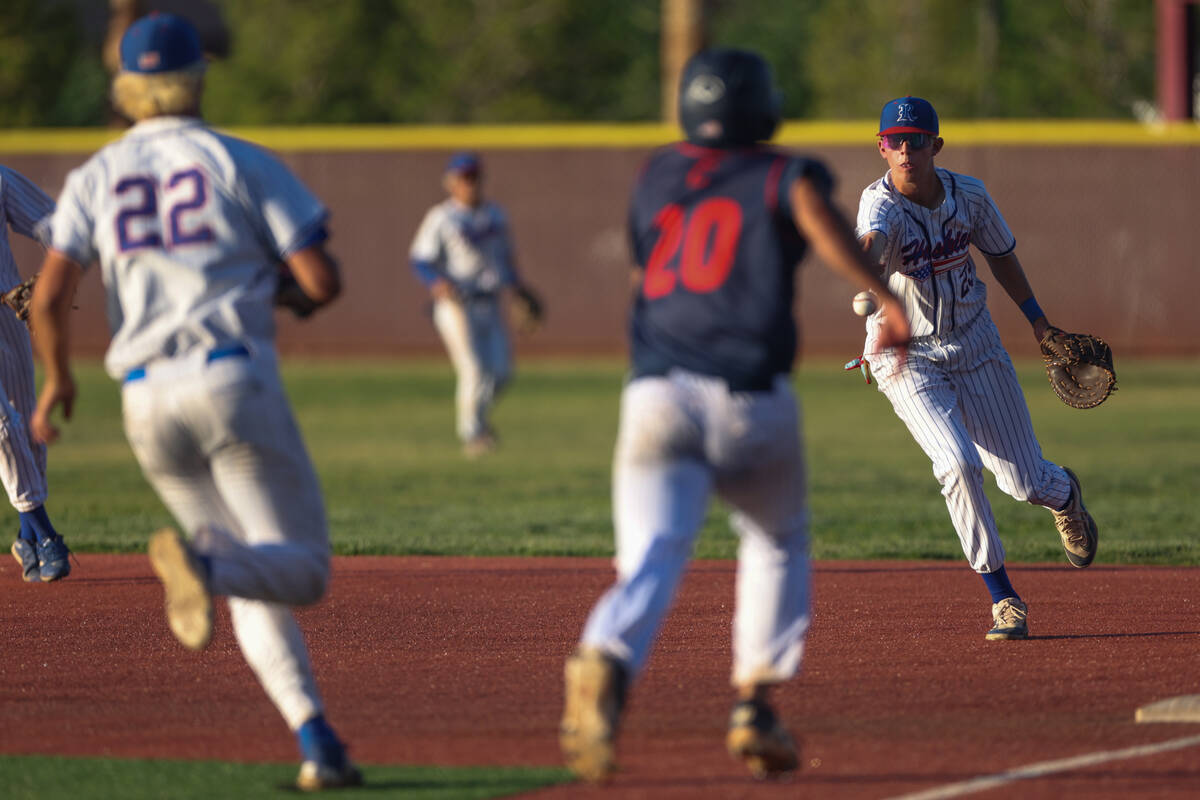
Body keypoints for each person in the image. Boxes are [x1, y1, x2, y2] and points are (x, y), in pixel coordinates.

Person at [558, 48, 911, 784]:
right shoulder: (785, 172)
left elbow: (640, 275)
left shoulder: (654, 173)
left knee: (652, 553)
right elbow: (815, 218)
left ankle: (607, 655)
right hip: (750, 395)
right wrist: (883, 298)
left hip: (654, 394)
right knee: (776, 538)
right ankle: (754, 701)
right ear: (761, 106)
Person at [28, 13, 361, 790]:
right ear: (198, 76)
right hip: (230, 381)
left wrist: (57, 383)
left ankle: (317, 741)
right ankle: (205, 568)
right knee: (302, 571)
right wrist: (286, 289)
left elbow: (49, 300)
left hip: (144, 402)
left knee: (246, 564)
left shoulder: (95, 176)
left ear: (127, 88)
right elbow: (321, 281)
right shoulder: (234, 158)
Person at [854, 96, 1098, 642]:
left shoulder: (970, 197)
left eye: (917, 140)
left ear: (936, 146)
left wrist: (1038, 322)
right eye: (895, 140)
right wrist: (866, 271)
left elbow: (1001, 254)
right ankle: (1003, 597)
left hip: (976, 343)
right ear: (881, 147)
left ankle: (1065, 495)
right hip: (906, 356)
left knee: (1025, 481)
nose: (906, 150)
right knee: (958, 463)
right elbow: (871, 245)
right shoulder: (880, 205)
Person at [408, 152, 540, 457]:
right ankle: (473, 435)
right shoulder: (442, 217)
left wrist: (519, 290)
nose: (470, 184)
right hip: (457, 303)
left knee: (502, 372)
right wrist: (435, 282)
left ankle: (477, 420)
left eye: (474, 177)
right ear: (451, 183)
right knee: (473, 369)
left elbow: (507, 258)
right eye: (464, 178)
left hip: (491, 301)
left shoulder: (496, 215)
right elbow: (420, 259)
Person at [0, 166, 72, 583]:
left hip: (6, 312)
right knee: (3, 427)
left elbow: (56, 222)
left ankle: (26, 537)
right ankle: (45, 533)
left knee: (28, 428)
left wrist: (55, 278)